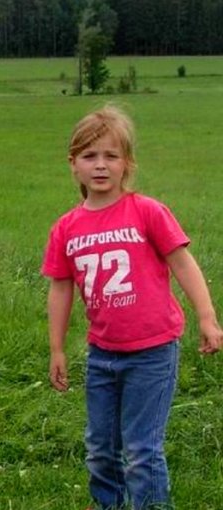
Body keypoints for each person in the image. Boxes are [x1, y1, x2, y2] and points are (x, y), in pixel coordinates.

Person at [42, 105, 222, 509]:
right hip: (103, 354)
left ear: (127, 164)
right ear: (73, 165)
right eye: (90, 156)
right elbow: (60, 289)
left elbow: (183, 263)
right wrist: (56, 349)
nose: (100, 166)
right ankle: (109, 504)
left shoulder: (147, 212)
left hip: (153, 353)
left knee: (142, 450)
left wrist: (207, 319)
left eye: (111, 156)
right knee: (100, 448)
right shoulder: (66, 228)